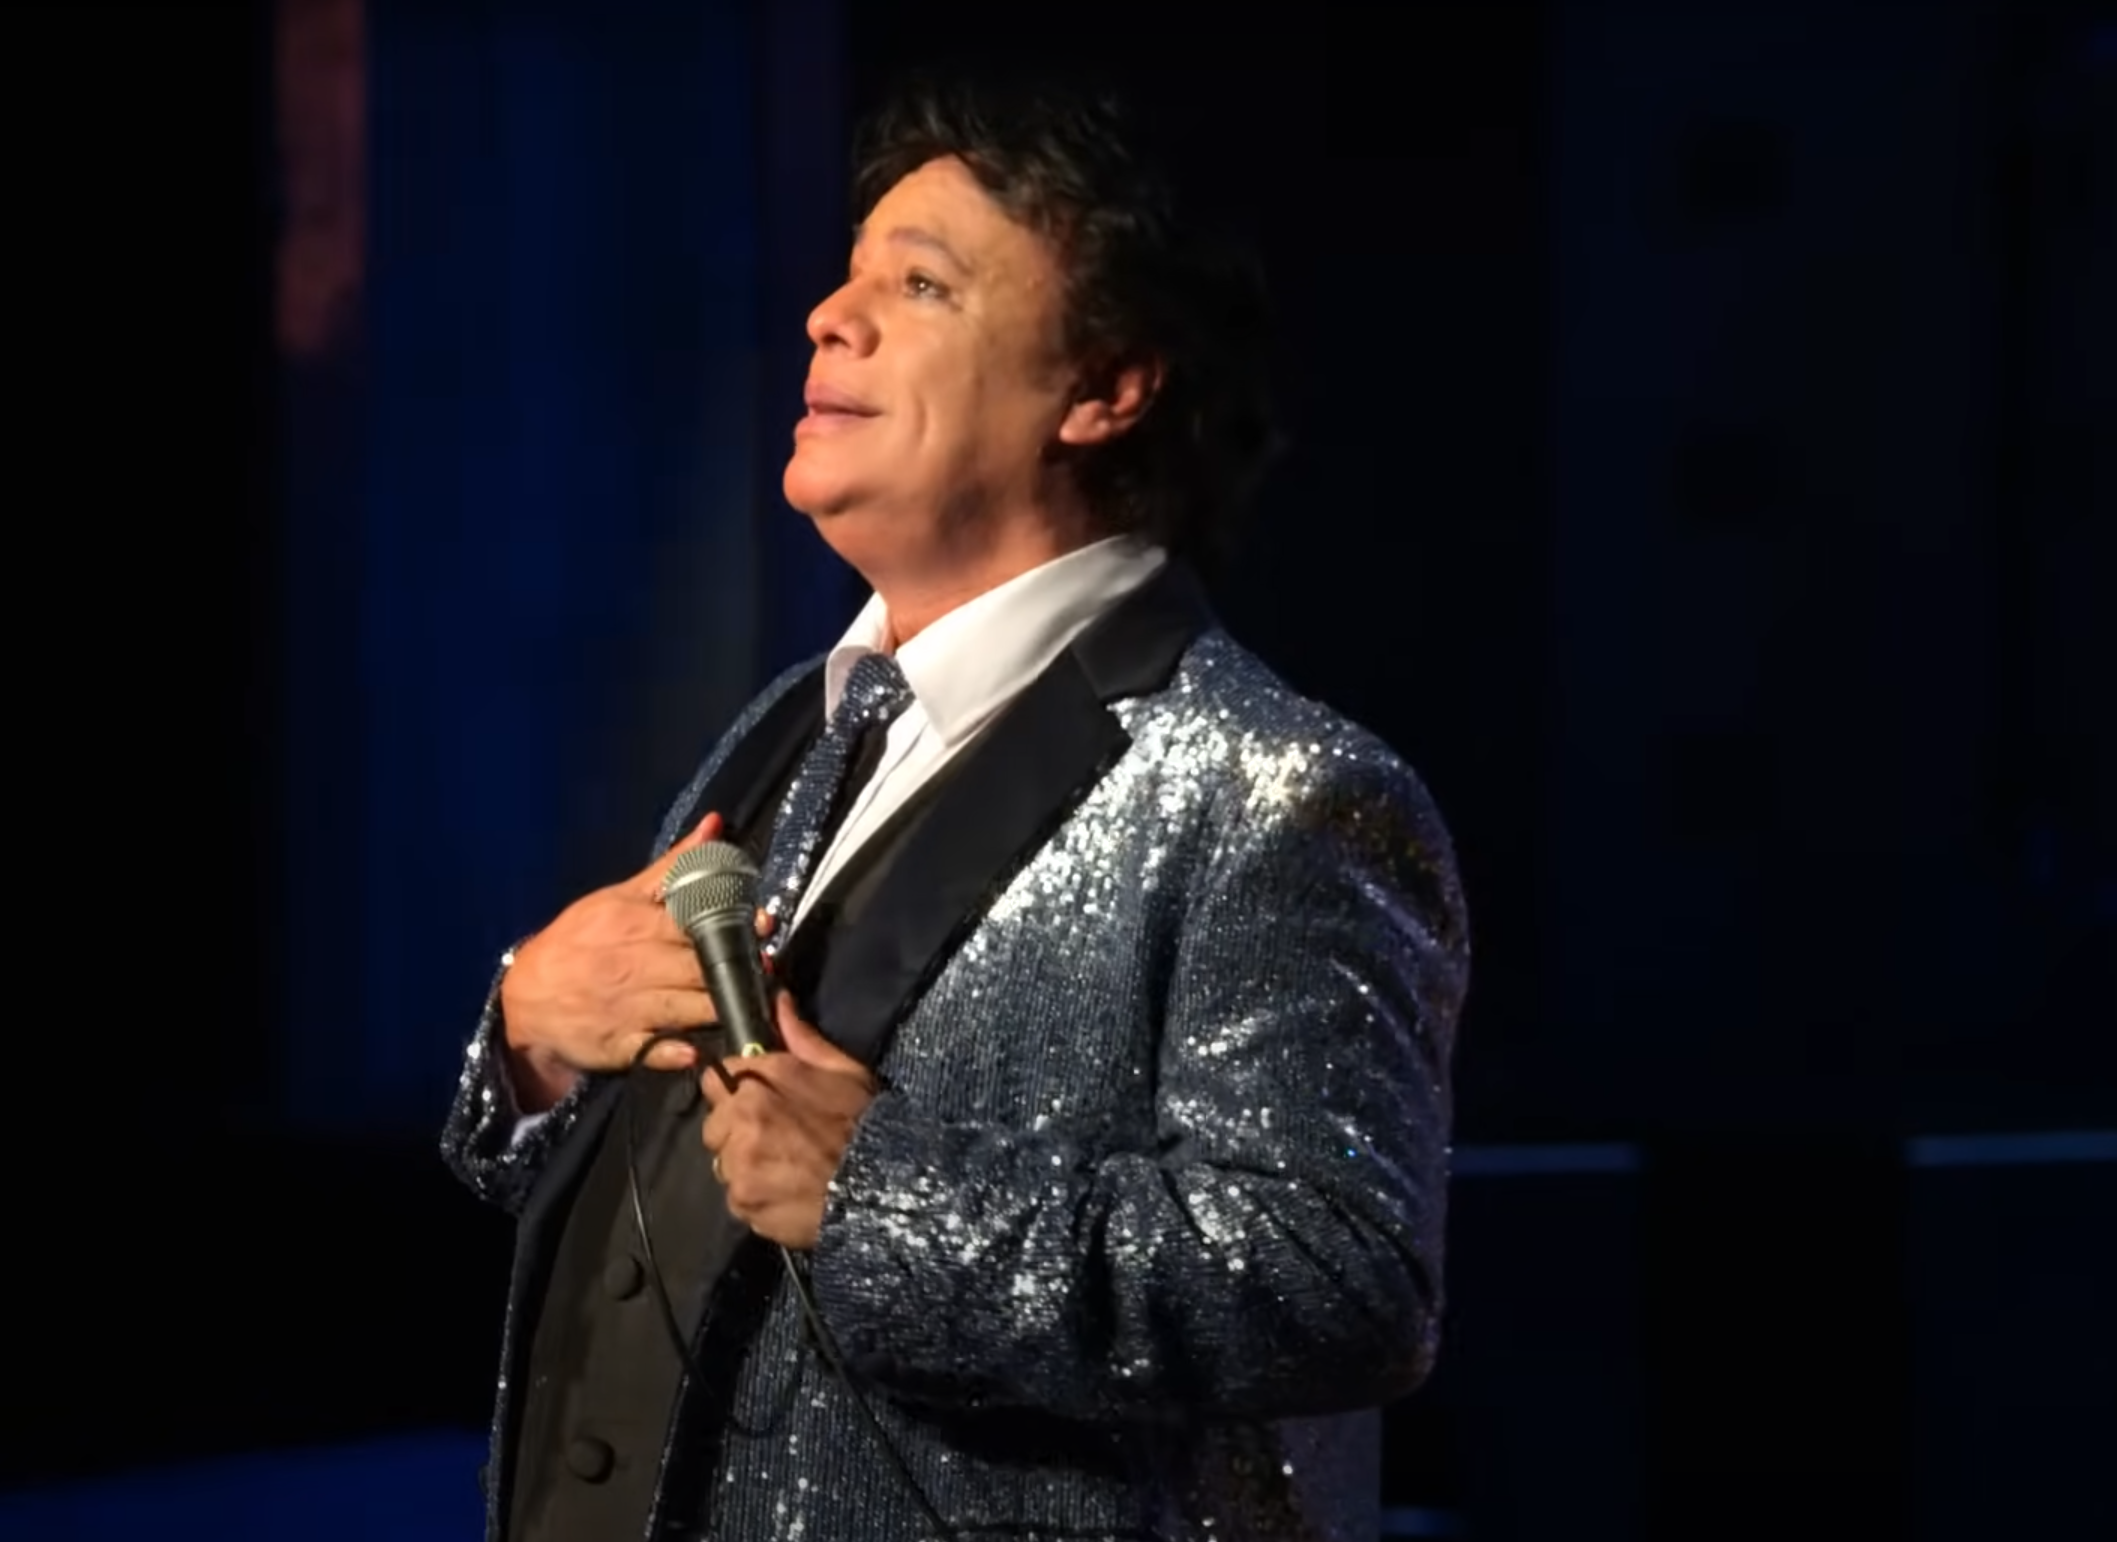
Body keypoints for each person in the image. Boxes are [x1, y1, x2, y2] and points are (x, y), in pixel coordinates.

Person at [442, 69, 1467, 1542]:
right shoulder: (782, 725)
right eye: (847, 274)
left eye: (919, 284)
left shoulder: (1277, 789)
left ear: (1104, 386)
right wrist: (534, 1033)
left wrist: (884, 1197)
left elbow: (1345, 1285)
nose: (828, 316)